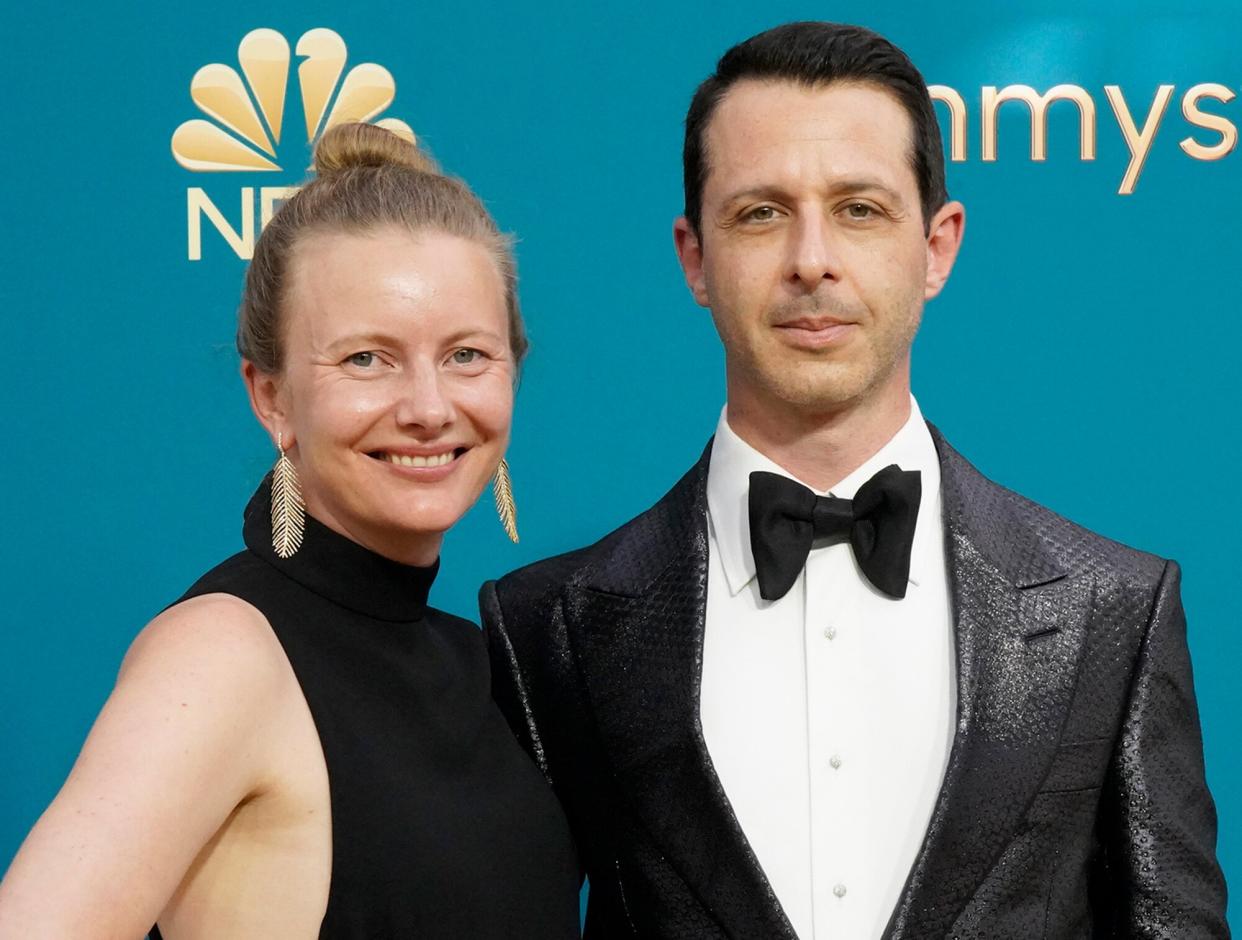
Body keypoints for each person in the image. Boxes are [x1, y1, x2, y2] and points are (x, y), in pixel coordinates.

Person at [481, 21, 1229, 939]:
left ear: (938, 246)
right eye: (760, 213)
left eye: (859, 210)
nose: (811, 260)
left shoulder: (1113, 608)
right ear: (694, 258)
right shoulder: (547, 627)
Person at [0, 123, 579, 938]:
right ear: (271, 398)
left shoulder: (476, 661)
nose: (427, 408)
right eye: (366, 360)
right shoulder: (224, 653)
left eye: (466, 356)